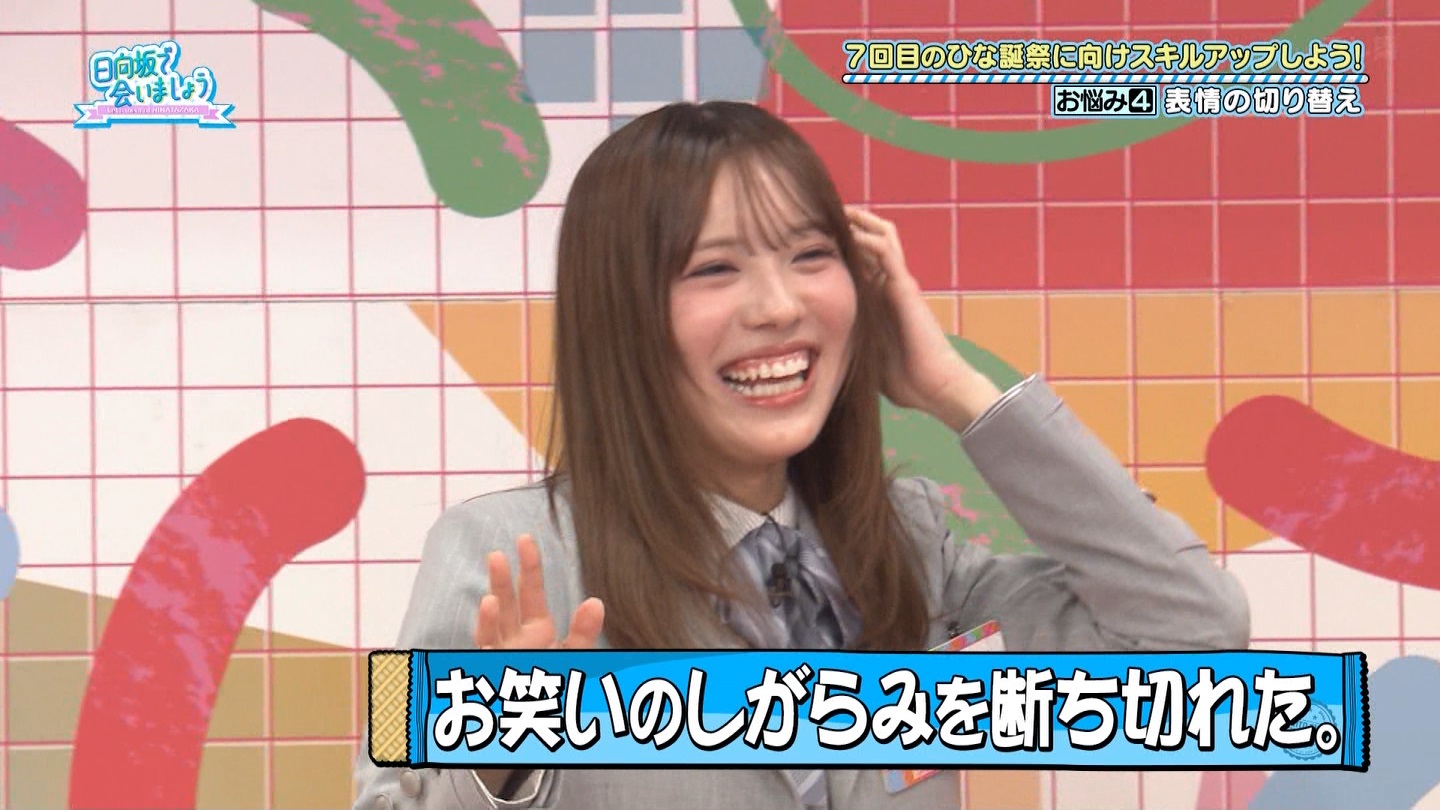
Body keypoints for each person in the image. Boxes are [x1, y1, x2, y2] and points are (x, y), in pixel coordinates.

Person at [352, 100, 1250, 810]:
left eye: (811, 255)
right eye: (715, 269)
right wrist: (497, 765)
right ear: (620, 315)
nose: (779, 306)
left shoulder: (913, 545)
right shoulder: (497, 553)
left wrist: (957, 389)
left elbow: (1191, 637)